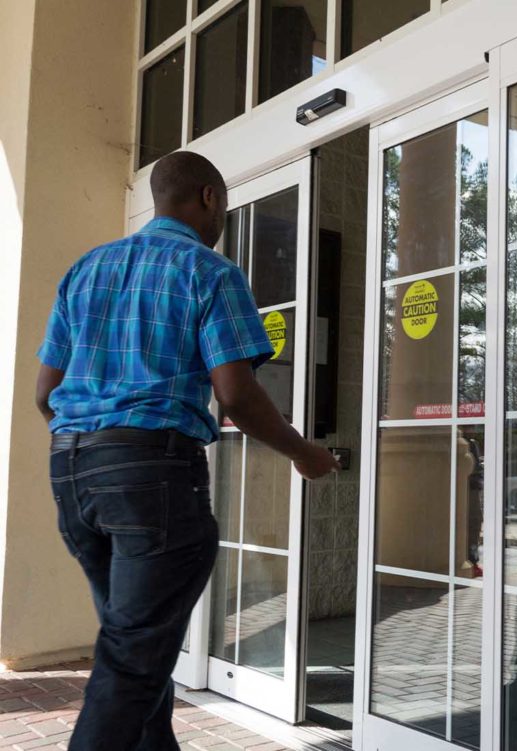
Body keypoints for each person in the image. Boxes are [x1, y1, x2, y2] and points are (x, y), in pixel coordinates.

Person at [35, 151, 339, 751]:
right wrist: (304, 452)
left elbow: (45, 393)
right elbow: (237, 397)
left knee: (137, 644)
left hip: (72, 470)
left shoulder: (85, 270)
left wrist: (90, 440)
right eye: (222, 205)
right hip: (151, 475)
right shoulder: (209, 272)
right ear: (208, 198)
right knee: (131, 659)